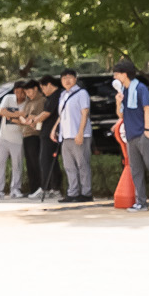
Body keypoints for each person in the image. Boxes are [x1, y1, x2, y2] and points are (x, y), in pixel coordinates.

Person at [114, 62, 149, 209]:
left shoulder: (140, 88)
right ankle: (141, 202)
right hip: (131, 136)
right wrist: (118, 101)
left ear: (124, 74)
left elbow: (147, 108)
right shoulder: (124, 91)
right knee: (136, 170)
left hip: (143, 134)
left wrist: (146, 130)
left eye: (117, 73)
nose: (115, 77)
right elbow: (120, 114)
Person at [56, 70, 94, 203]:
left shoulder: (81, 93)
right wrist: (55, 129)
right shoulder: (63, 95)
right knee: (69, 165)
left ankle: (86, 193)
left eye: (70, 77)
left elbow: (85, 113)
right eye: (64, 78)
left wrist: (80, 133)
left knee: (82, 164)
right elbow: (61, 115)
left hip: (79, 135)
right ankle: (72, 193)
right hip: (66, 136)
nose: (67, 80)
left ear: (75, 78)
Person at [0, 82, 32, 198]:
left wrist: (11, 116)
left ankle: (15, 189)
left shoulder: (27, 103)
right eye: (17, 92)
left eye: (21, 92)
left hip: (18, 140)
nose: (19, 95)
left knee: (17, 165)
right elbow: (1, 112)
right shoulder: (8, 98)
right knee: (0, 164)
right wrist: (18, 114)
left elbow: (24, 120)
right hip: (3, 137)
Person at [29, 77, 61, 199]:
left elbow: (47, 113)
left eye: (42, 88)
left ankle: (48, 188)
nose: (43, 91)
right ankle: (51, 187)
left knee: (46, 161)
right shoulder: (51, 97)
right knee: (46, 161)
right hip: (46, 132)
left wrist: (34, 119)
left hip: (51, 134)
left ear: (48, 85)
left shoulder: (56, 96)